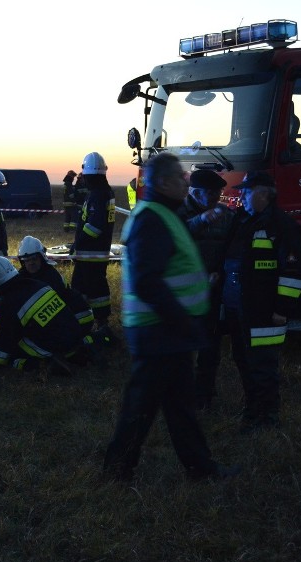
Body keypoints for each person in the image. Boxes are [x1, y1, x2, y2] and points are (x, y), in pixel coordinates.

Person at [103, 153, 239, 482]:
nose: (186, 182)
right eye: (180, 177)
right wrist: (182, 321)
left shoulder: (163, 213)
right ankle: (116, 470)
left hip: (167, 331)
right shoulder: (152, 218)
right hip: (158, 331)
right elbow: (149, 282)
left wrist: (204, 220)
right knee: (142, 406)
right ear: (163, 182)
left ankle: (200, 468)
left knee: (180, 405)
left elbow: (177, 239)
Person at [221, 171, 301, 433]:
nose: (242, 196)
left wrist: (282, 309)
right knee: (243, 359)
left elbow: (293, 273)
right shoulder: (242, 220)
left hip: (264, 308)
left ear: (264, 193)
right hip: (239, 305)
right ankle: (252, 410)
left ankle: (267, 417)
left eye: (247, 191)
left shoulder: (283, 226)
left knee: (263, 364)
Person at [176, 169, 234, 410]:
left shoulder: (226, 215)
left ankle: (204, 394)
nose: (213, 198)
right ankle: (180, 393)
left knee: (210, 343)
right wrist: (201, 220)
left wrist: (220, 271)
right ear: (194, 192)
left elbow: (231, 247)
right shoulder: (178, 213)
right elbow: (175, 239)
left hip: (213, 288)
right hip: (184, 290)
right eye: (209, 193)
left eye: (217, 193)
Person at [0, 256, 98, 375]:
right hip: (75, 336)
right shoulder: (37, 284)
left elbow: (4, 340)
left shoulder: (9, 303)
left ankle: (42, 365)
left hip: (54, 346)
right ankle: (80, 354)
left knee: (14, 351)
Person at [70, 152, 116, 338]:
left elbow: (95, 227)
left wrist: (77, 243)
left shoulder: (98, 195)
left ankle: (94, 324)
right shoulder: (104, 192)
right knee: (90, 288)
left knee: (89, 289)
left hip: (91, 253)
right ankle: (92, 322)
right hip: (95, 252)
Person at [16, 235, 95, 335]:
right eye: (27, 260)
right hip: (64, 315)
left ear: (41, 258)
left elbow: (46, 310)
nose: (31, 263)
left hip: (79, 317)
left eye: (34, 259)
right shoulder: (24, 275)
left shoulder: (51, 276)